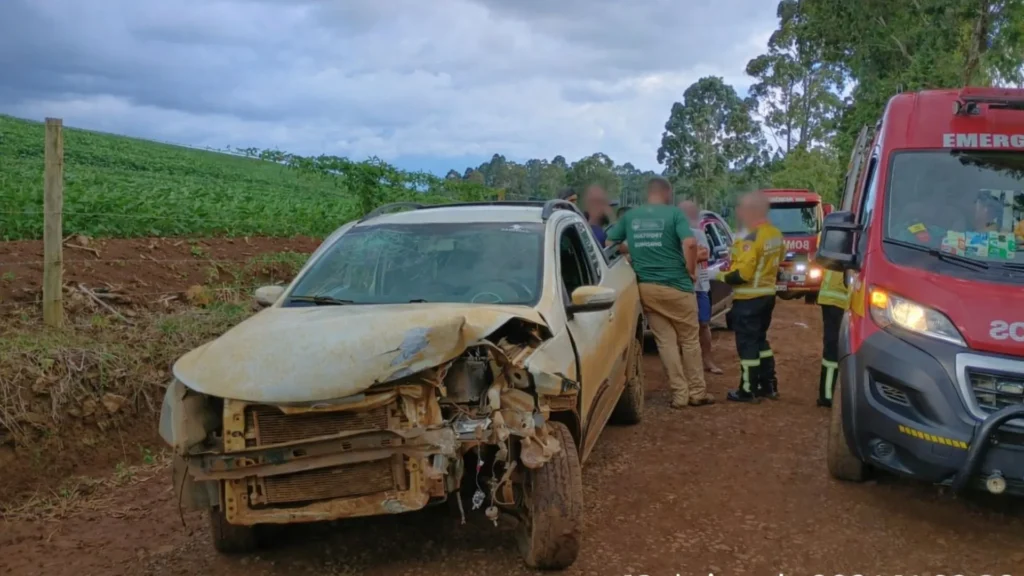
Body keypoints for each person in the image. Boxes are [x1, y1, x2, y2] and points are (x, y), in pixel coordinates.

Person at [606, 177, 714, 408]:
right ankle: (697, 392)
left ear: (648, 193)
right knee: (689, 340)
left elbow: (610, 242)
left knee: (665, 342)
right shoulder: (674, 214)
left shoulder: (630, 217)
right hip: (678, 286)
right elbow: (690, 244)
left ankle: (679, 395)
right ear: (666, 193)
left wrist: (633, 247)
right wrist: (691, 270)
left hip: (647, 288)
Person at [714, 192, 784, 403]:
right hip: (767, 296)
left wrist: (717, 275)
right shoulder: (775, 234)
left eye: (742, 209)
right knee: (760, 340)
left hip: (748, 300)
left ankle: (747, 389)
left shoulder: (750, 239)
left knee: (747, 345)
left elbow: (741, 275)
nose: (739, 213)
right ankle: (768, 385)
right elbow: (777, 261)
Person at [679, 199, 722, 374]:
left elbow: (704, 254)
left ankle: (707, 361)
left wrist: (685, 258)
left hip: (700, 286)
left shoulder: (698, 233)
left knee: (704, 324)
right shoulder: (673, 234)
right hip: (681, 287)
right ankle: (686, 364)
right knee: (682, 328)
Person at [815, 231, 849, 408]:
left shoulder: (834, 232)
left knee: (832, 348)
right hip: (839, 300)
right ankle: (827, 394)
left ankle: (828, 393)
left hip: (833, 299)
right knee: (834, 349)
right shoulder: (856, 234)